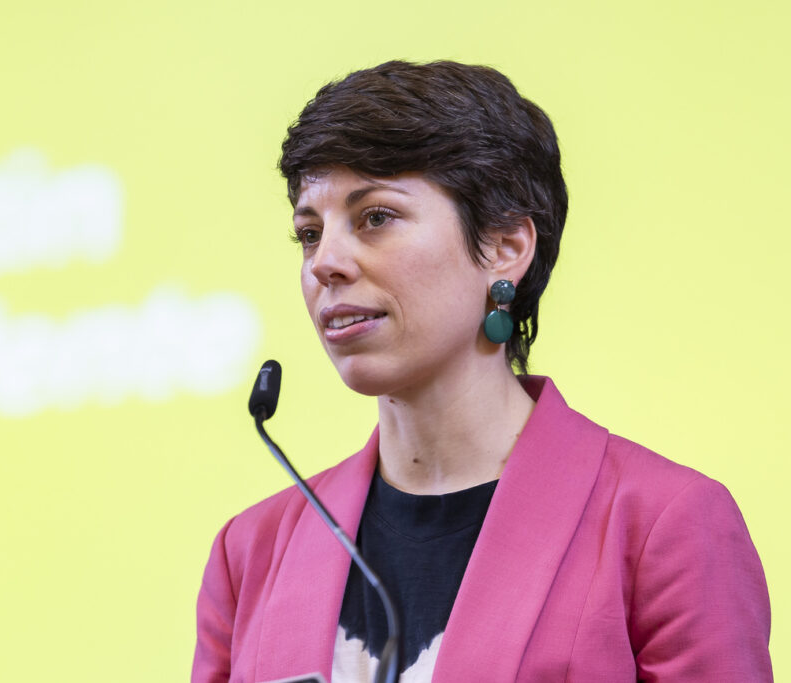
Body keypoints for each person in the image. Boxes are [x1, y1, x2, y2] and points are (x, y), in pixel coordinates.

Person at [192, 60, 772, 682]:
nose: (323, 262)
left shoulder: (663, 525)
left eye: (375, 217)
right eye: (309, 233)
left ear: (505, 248)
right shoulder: (249, 552)